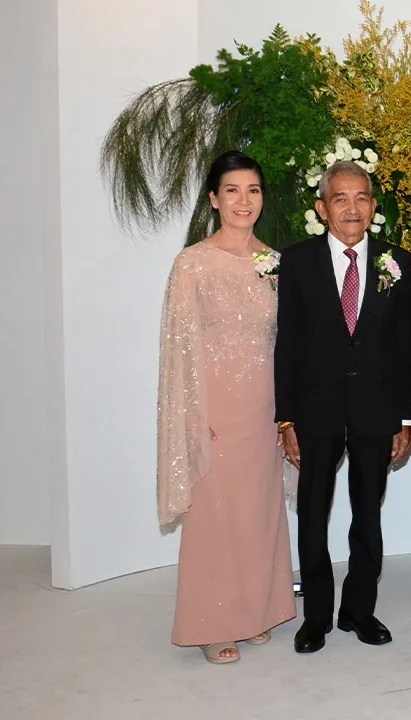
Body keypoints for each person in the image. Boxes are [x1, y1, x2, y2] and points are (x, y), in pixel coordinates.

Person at [157, 150, 296, 664]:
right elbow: (178, 348)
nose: (244, 201)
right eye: (232, 191)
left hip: (264, 410)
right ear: (214, 199)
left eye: (253, 191)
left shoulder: (274, 263)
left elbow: (287, 345)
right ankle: (212, 624)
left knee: (258, 512)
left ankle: (257, 611)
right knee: (215, 517)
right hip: (213, 412)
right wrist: (193, 417)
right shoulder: (192, 263)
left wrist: (288, 415)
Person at [274, 160, 411, 654]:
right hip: (315, 411)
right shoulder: (297, 262)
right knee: (313, 515)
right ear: (322, 208)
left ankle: (360, 610)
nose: (351, 209)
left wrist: (404, 418)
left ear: (373, 207)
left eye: (360, 198)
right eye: (340, 199)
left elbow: (405, 346)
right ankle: (316, 617)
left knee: (367, 515)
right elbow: (288, 344)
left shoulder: (398, 261)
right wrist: (286, 418)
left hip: (378, 411)